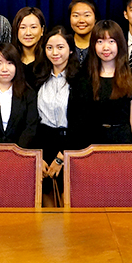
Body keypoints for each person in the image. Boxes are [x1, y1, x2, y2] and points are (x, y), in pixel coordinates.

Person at [32, 26, 86, 202]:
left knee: (68, 203)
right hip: (43, 144)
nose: (54, 52)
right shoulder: (37, 75)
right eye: (49, 47)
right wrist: (37, 156)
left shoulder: (81, 79)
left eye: (60, 47)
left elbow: (82, 123)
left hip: (71, 146)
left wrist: (62, 157)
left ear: (70, 50)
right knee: (45, 203)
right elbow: (32, 120)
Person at [79, 20, 132, 144]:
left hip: (123, 142)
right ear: (93, 45)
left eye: (111, 41)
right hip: (92, 142)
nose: (106, 47)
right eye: (100, 41)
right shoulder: (85, 78)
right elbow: (80, 120)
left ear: (120, 44)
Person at [11, 6, 46, 87]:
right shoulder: (9, 60)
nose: (28, 33)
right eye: (23, 27)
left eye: (33, 27)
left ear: (42, 30)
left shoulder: (49, 60)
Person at [68, 0, 98, 65]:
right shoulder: (64, 44)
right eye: (76, 16)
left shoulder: (102, 45)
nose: (81, 20)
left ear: (95, 18)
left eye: (87, 15)